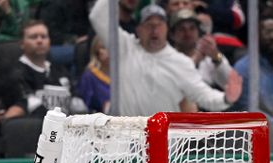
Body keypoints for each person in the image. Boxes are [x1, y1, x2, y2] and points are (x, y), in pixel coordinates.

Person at [89, 0, 241, 115]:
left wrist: (226, 99)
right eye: (149, 25)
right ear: (139, 29)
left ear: (167, 29)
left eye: (159, 24)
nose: (154, 30)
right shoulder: (123, 47)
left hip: (164, 144)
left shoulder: (181, 63)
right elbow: (97, 16)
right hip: (126, 140)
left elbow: (203, 95)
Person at [0, 20, 86, 120]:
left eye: (44, 37)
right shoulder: (16, 73)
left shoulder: (60, 71)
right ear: (22, 43)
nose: (40, 41)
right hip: (32, 130)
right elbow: (26, 104)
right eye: (33, 37)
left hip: (65, 129)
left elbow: (76, 102)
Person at [169, 8, 231, 90]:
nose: (187, 33)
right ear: (172, 35)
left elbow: (230, 82)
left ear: (199, 32)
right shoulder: (166, 56)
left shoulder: (209, 54)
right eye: (182, 29)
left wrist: (217, 56)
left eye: (192, 28)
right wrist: (195, 60)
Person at [77, 35, 111, 113]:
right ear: (96, 51)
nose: (109, 51)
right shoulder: (89, 76)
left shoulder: (123, 76)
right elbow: (85, 107)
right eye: (104, 47)